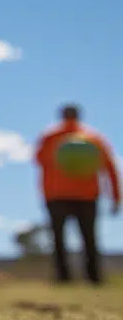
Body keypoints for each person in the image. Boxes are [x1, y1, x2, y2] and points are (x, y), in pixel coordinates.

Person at [34, 104, 120, 284]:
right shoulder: (94, 138)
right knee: (89, 238)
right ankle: (94, 278)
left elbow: (39, 160)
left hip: (56, 196)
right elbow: (110, 168)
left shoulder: (50, 137)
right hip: (87, 195)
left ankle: (63, 278)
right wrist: (116, 196)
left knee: (59, 239)